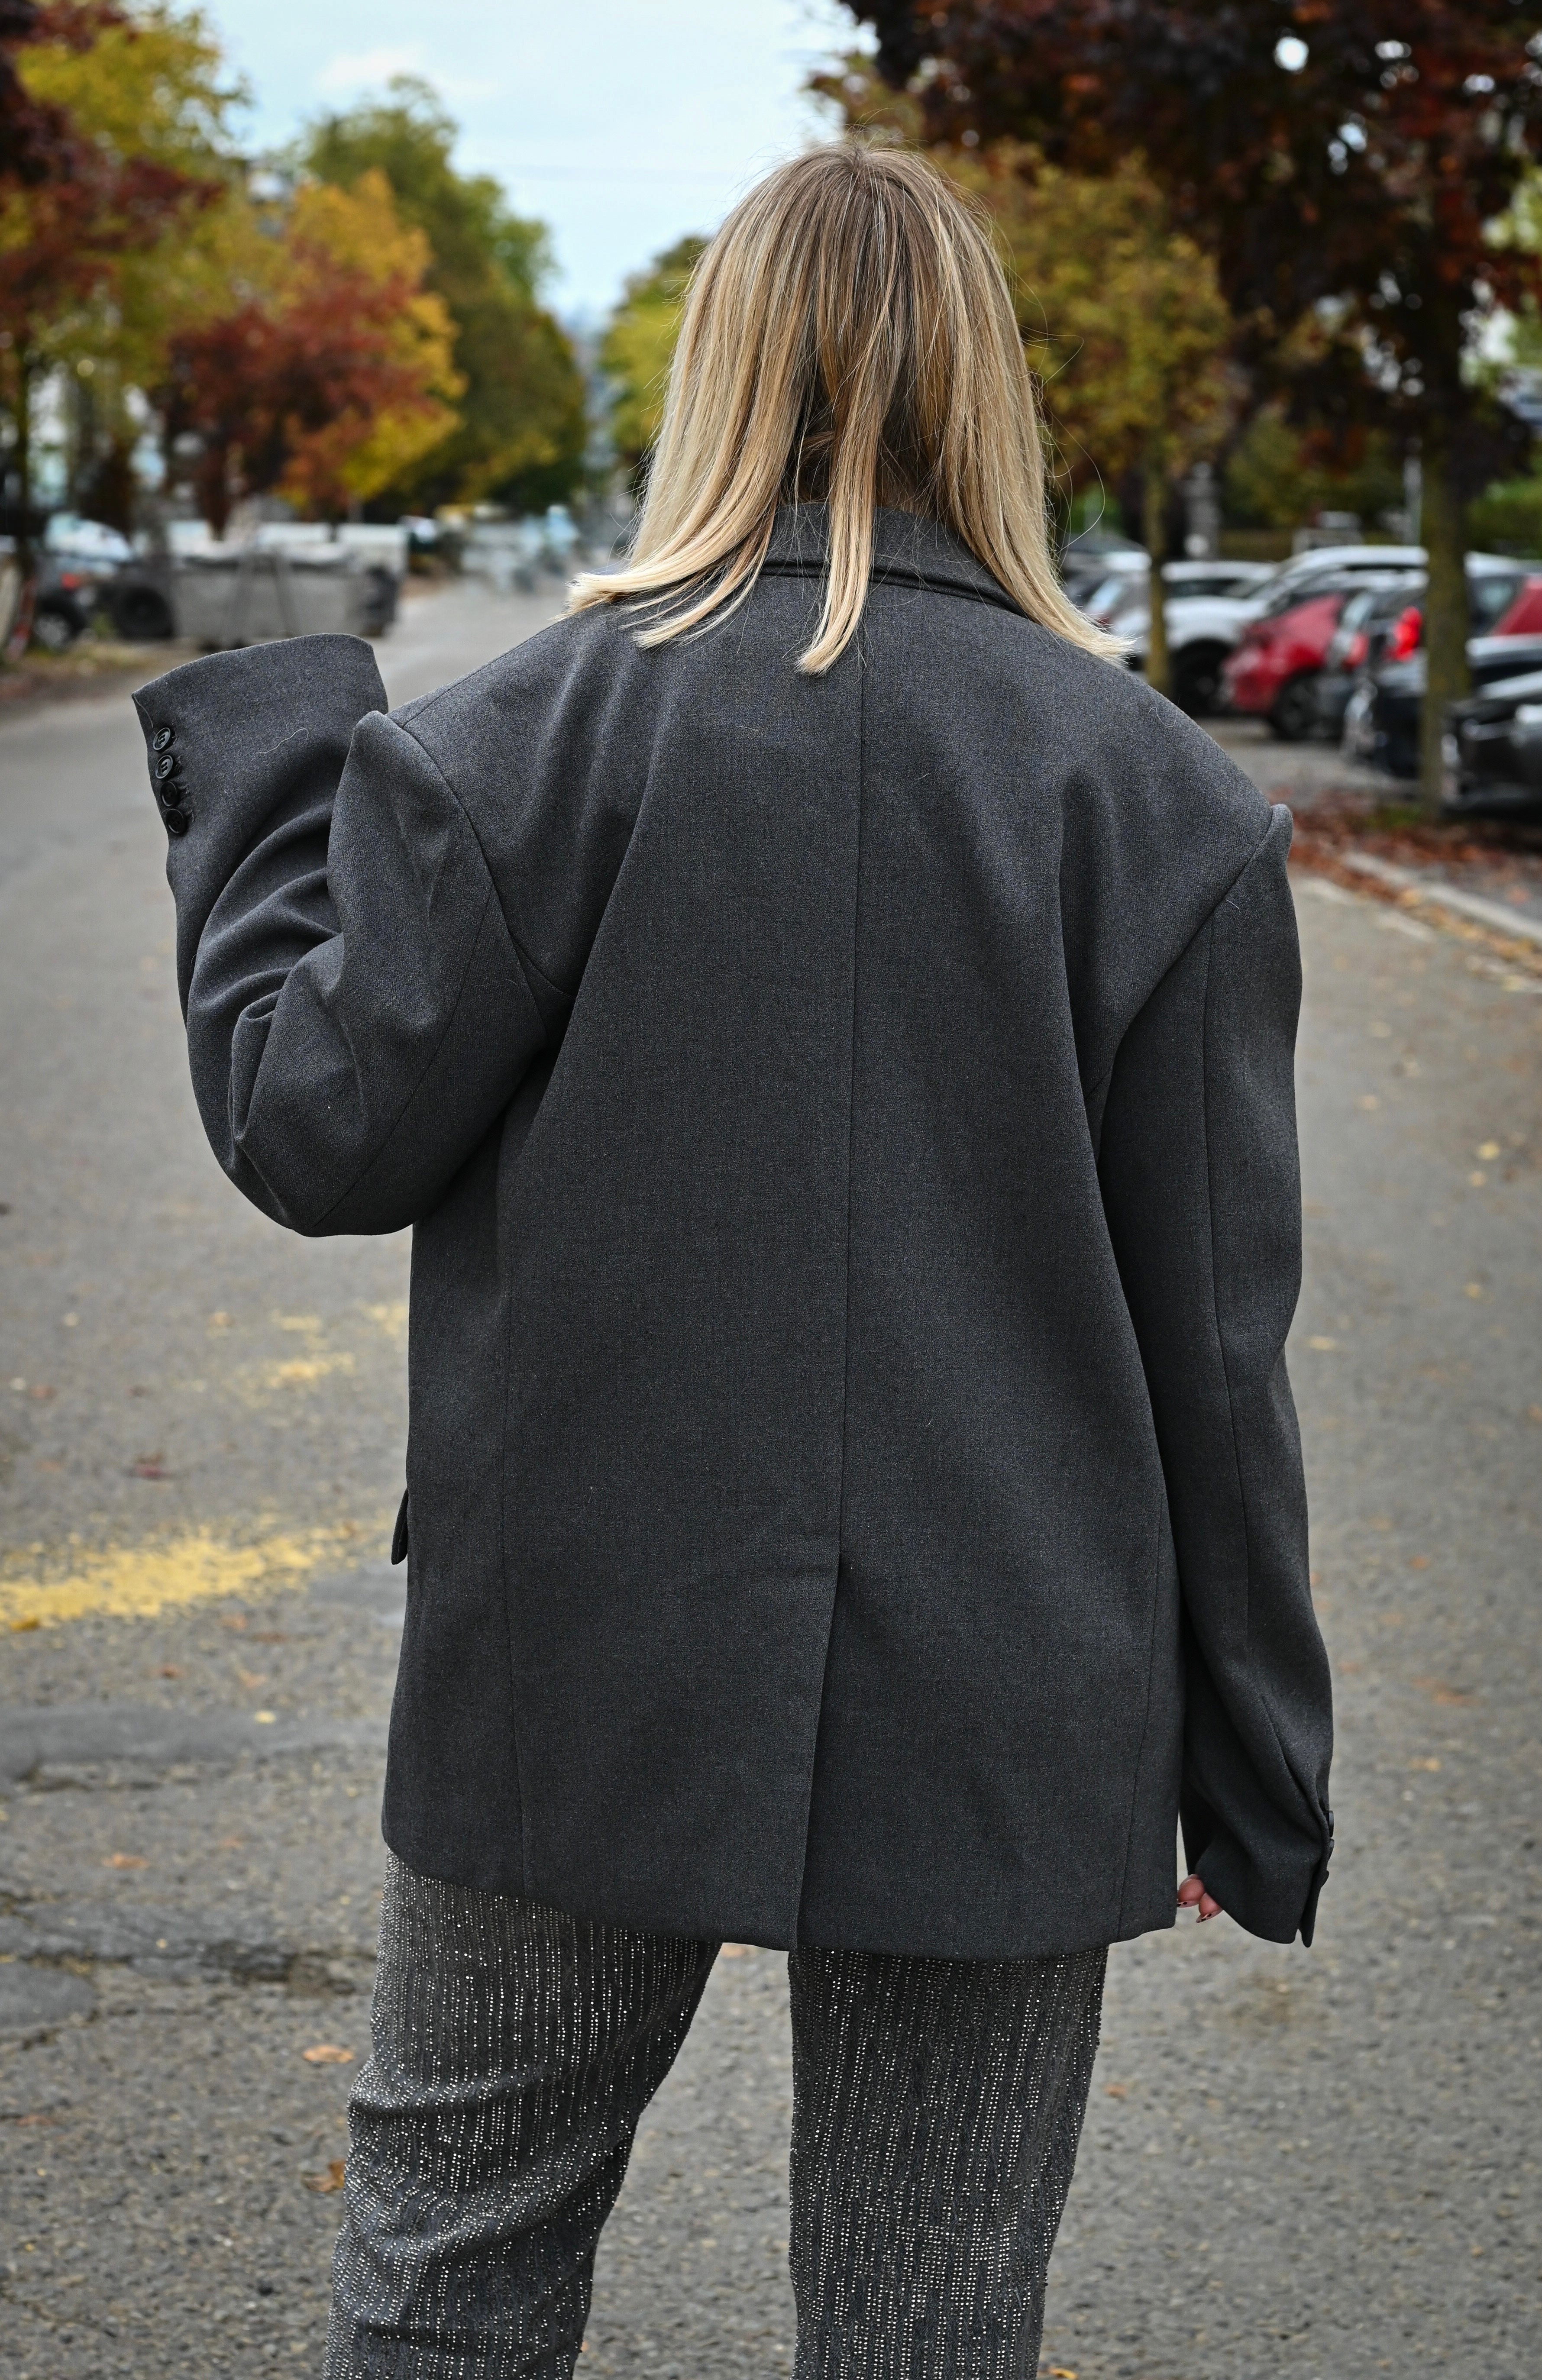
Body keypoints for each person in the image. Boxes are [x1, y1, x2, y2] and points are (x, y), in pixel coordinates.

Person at [133, 141, 1332, 2380]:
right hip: (1013, 1675)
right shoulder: (1159, 798)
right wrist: (1246, 1766)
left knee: (452, 2270)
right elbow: (1217, 1352)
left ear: (713, 375)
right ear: (990, 392)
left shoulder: (527, 740)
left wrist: (288, 771)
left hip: (576, 1650)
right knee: (927, 2325)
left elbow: (312, 1126)